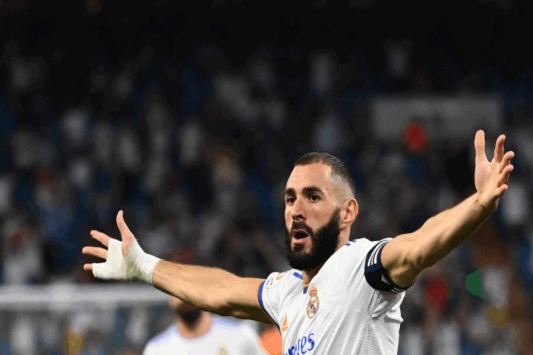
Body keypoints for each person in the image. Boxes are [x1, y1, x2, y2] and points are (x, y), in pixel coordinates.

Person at [83, 130, 514, 354]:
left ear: (348, 213)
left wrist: (477, 204)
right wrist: (144, 266)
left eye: (312, 196)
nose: (296, 209)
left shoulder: (363, 268)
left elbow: (420, 245)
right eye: (290, 198)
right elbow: (219, 290)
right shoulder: (286, 291)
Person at [143, 296, 265, 355]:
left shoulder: (240, 334)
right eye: (176, 292)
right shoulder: (157, 350)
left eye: (189, 290)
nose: (184, 297)